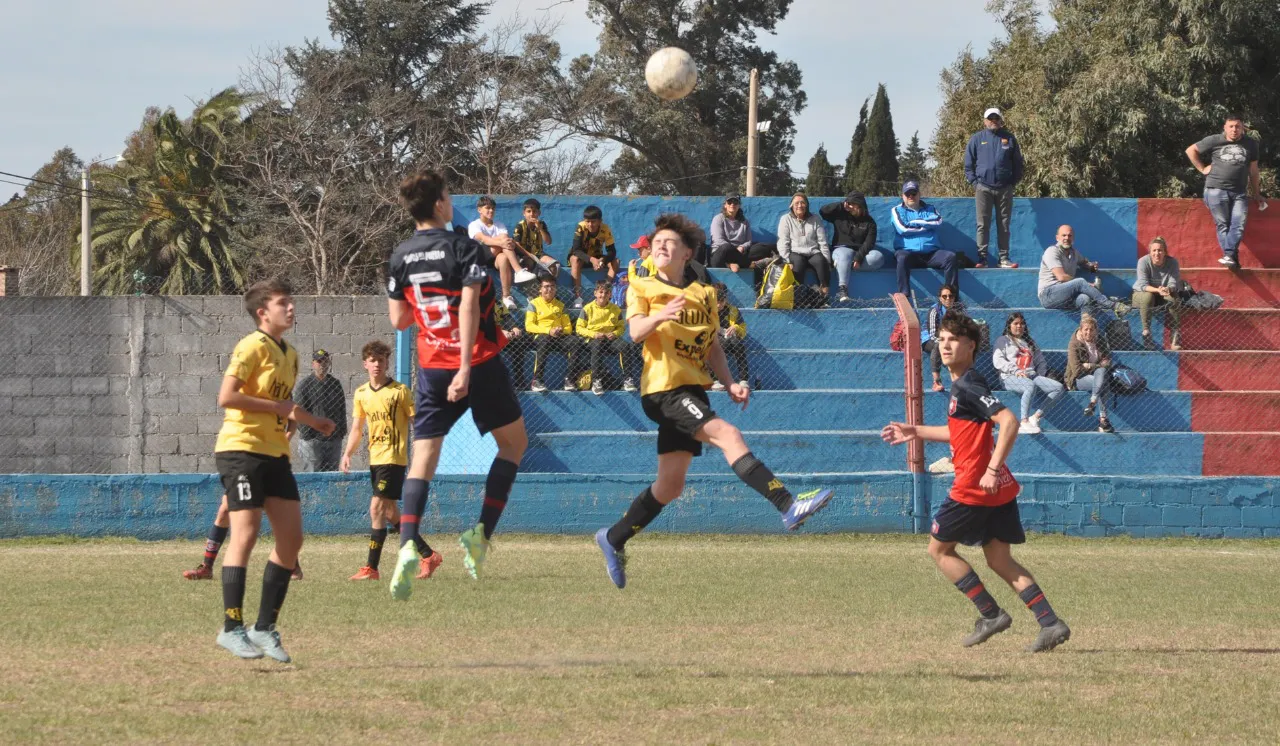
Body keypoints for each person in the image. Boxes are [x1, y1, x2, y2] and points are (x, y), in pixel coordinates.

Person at [592, 213, 836, 589]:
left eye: (669, 242)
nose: (660, 245)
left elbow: (714, 346)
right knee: (728, 434)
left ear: (687, 252)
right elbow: (636, 332)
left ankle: (613, 538)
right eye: (657, 241)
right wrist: (660, 315)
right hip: (662, 389)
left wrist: (731, 382)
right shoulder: (642, 286)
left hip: (690, 391)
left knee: (670, 487)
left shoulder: (705, 294)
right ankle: (788, 505)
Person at [882, 313, 1070, 653]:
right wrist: (916, 431)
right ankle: (1050, 623)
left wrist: (992, 468)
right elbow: (960, 434)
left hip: (974, 486)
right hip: (996, 490)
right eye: (941, 339)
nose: (946, 345)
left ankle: (991, 614)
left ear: (971, 345)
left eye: (953, 339)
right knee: (1000, 560)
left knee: (939, 549)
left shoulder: (968, 384)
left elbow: (1009, 421)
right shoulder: (964, 385)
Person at [386, 169, 528, 599]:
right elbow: (468, 308)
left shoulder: (400, 255)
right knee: (514, 446)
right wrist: (465, 366)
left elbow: (398, 320)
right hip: (477, 362)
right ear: (441, 205)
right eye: (448, 195)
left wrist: (427, 311)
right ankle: (480, 534)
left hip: (430, 367)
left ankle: (408, 541)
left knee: (423, 457)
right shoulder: (463, 248)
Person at [212, 278, 336, 662]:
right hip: (241, 449)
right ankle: (232, 628)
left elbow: (284, 404)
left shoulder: (292, 354)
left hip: (275, 453)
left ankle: (263, 627)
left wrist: (314, 422)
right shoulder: (250, 346)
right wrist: (277, 410)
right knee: (245, 535)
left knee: (291, 540)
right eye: (284, 303)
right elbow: (227, 397)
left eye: (292, 302)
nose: (292, 308)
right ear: (263, 313)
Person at [341, 340, 444, 581]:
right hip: (375, 459)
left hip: (393, 458)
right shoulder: (361, 393)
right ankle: (428, 555)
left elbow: (415, 422)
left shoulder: (399, 391)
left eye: (381, 360)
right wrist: (347, 454)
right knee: (389, 513)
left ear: (387, 363)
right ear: (365, 363)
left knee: (376, 508)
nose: (377, 364)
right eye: (373, 360)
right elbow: (357, 428)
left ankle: (371, 568)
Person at [1185, 113, 1268, 268]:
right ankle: (1232, 257)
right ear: (1225, 128)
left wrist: (1257, 193)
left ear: (1243, 128)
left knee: (1239, 224)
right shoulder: (1215, 140)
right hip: (1215, 189)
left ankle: (1229, 255)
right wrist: (1202, 168)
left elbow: (1254, 171)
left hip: (1239, 192)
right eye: (1231, 126)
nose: (1234, 129)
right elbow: (1190, 150)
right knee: (1223, 224)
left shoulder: (1250, 144)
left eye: (1238, 126)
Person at [182, 496, 305, 581]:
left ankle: (293, 566)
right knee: (225, 511)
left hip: (268, 465)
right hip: (242, 467)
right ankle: (206, 568)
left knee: (276, 511)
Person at [964, 107, 1024, 268]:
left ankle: (1003, 258)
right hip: (983, 188)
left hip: (1004, 188)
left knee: (1003, 224)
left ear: (1000, 120)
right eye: (990, 118)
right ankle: (982, 258)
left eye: (996, 118)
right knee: (983, 224)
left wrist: (1012, 182)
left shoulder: (1009, 138)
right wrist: (975, 183)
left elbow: (1018, 163)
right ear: (985, 121)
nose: (993, 121)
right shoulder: (977, 139)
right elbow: (968, 165)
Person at [993, 312, 1064, 435]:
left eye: (1021, 324)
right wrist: (1016, 371)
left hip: (1031, 375)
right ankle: (1024, 421)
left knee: (1058, 388)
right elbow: (998, 361)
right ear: (1009, 325)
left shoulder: (1030, 342)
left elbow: (1041, 361)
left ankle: (1035, 417)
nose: (1019, 326)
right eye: (1015, 323)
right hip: (1010, 376)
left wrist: (1039, 375)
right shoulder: (1002, 340)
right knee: (1029, 385)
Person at [1037, 225, 1130, 317]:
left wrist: (1092, 267)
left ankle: (1085, 326)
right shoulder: (1052, 251)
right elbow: (1061, 277)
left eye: (1070, 236)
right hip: (1048, 295)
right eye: (1064, 235)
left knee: (1084, 298)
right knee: (1080, 282)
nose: (1067, 238)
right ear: (1057, 238)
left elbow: (1084, 263)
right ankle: (1113, 305)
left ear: (1073, 238)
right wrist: (1085, 284)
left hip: (1066, 297)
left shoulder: (1074, 253)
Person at [890, 181, 959, 297]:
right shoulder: (897, 210)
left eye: (914, 193)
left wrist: (914, 222)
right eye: (908, 194)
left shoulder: (930, 209)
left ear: (919, 194)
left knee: (950, 257)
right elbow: (903, 228)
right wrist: (927, 226)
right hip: (909, 253)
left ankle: (951, 295)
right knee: (902, 257)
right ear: (903, 196)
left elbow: (938, 222)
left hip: (932, 254)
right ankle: (904, 295)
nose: (911, 196)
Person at [820, 191, 883, 303]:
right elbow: (823, 211)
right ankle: (842, 289)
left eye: (852, 204)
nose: (850, 207)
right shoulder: (840, 215)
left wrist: (858, 258)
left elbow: (869, 243)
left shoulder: (870, 222)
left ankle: (843, 266)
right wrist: (841, 204)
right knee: (845, 254)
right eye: (848, 204)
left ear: (860, 205)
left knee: (877, 257)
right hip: (841, 250)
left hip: (859, 255)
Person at [576, 280, 637, 395]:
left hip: (609, 339)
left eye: (606, 293)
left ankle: (628, 380)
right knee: (597, 344)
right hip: (592, 339)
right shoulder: (587, 308)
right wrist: (594, 334)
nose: (603, 295)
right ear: (595, 293)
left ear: (610, 294)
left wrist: (614, 333)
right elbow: (579, 328)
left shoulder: (616, 309)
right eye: (600, 292)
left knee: (624, 346)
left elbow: (621, 327)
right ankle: (596, 381)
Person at [291, 349, 347, 472]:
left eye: (325, 361)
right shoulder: (305, 385)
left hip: (333, 440)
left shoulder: (335, 384)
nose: (322, 364)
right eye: (319, 361)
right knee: (313, 474)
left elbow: (342, 409)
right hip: (312, 441)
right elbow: (298, 412)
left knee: (331, 475)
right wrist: (309, 435)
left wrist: (341, 433)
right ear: (313, 364)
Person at [525, 276, 581, 393]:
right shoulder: (534, 304)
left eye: (552, 287)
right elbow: (529, 326)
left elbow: (568, 327)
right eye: (546, 287)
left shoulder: (560, 305)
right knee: (544, 339)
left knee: (575, 341)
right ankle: (537, 381)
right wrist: (548, 331)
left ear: (556, 289)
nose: (549, 289)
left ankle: (570, 380)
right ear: (540, 289)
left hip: (558, 337)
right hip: (540, 336)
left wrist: (560, 330)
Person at [468, 195, 523, 313]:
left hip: (496, 258)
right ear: (479, 210)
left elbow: (505, 240)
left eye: (493, 208)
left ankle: (506, 296)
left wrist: (505, 242)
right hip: (481, 258)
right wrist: (503, 242)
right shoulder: (474, 225)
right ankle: (518, 270)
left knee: (503, 257)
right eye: (487, 208)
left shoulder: (499, 224)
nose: (491, 211)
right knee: (503, 240)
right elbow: (484, 240)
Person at [1064, 314, 1116, 434]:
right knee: (1103, 382)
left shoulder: (1100, 340)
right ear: (1081, 330)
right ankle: (1103, 421)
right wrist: (1097, 365)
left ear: (1096, 330)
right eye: (1085, 329)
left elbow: (1108, 361)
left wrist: (1089, 365)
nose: (1088, 332)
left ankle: (1092, 402)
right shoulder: (1074, 344)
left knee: (1102, 373)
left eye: (1091, 329)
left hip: (1098, 374)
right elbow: (1076, 370)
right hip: (1078, 379)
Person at [777, 192, 832, 300]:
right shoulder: (786, 219)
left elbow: (822, 241)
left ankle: (824, 297)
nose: (799, 205)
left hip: (813, 252)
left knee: (821, 261)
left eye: (802, 203)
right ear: (791, 206)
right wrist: (786, 260)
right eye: (796, 203)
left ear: (806, 205)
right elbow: (783, 242)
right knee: (798, 263)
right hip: (795, 252)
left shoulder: (815, 219)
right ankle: (798, 298)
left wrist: (827, 261)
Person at [1132, 237, 1183, 351]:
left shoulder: (1173, 262)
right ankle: (1146, 333)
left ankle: (1175, 337)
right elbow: (1143, 285)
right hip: (1141, 294)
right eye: (1154, 250)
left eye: (1160, 250)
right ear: (1150, 252)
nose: (1157, 253)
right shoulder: (1143, 261)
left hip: (1163, 293)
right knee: (1147, 296)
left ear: (1165, 252)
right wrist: (1157, 290)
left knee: (1174, 299)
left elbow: (1173, 283)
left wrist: (1167, 289)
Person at [569, 205, 619, 308]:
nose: (590, 224)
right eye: (587, 221)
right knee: (575, 259)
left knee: (616, 261)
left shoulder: (605, 229)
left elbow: (612, 252)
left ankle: (605, 291)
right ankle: (577, 297)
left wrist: (603, 260)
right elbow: (576, 250)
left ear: (600, 221)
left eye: (593, 222)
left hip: (597, 257)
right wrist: (592, 260)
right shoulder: (580, 227)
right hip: (583, 258)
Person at [922, 284, 965, 392]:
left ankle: (962, 379)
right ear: (940, 298)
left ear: (954, 297)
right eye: (944, 296)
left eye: (950, 296)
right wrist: (945, 342)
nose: (948, 299)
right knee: (938, 346)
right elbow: (932, 333)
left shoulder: (959, 310)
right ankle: (936, 381)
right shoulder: (934, 310)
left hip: (950, 339)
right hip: (929, 339)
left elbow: (963, 328)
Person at [511, 197, 560, 281]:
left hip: (538, 254)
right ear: (524, 213)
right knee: (529, 263)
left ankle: (549, 286)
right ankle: (532, 289)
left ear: (539, 213)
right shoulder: (520, 226)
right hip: (523, 254)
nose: (532, 214)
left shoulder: (542, 224)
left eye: (534, 211)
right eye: (529, 211)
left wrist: (540, 229)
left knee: (555, 265)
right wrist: (530, 255)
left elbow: (548, 242)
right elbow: (517, 245)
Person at [711, 281, 749, 390]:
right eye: (717, 301)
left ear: (726, 299)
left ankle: (743, 379)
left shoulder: (733, 310)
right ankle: (714, 380)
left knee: (738, 343)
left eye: (722, 301)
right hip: (714, 340)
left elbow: (743, 328)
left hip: (730, 341)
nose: (719, 305)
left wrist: (735, 327)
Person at [709, 195, 753, 271]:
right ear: (725, 205)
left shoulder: (745, 222)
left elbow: (748, 241)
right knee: (726, 247)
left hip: (739, 253)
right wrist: (735, 250)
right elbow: (718, 240)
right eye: (729, 202)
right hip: (721, 256)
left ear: (739, 206)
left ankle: (731, 264)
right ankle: (749, 264)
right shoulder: (718, 219)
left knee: (761, 247)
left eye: (735, 202)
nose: (732, 204)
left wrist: (742, 247)